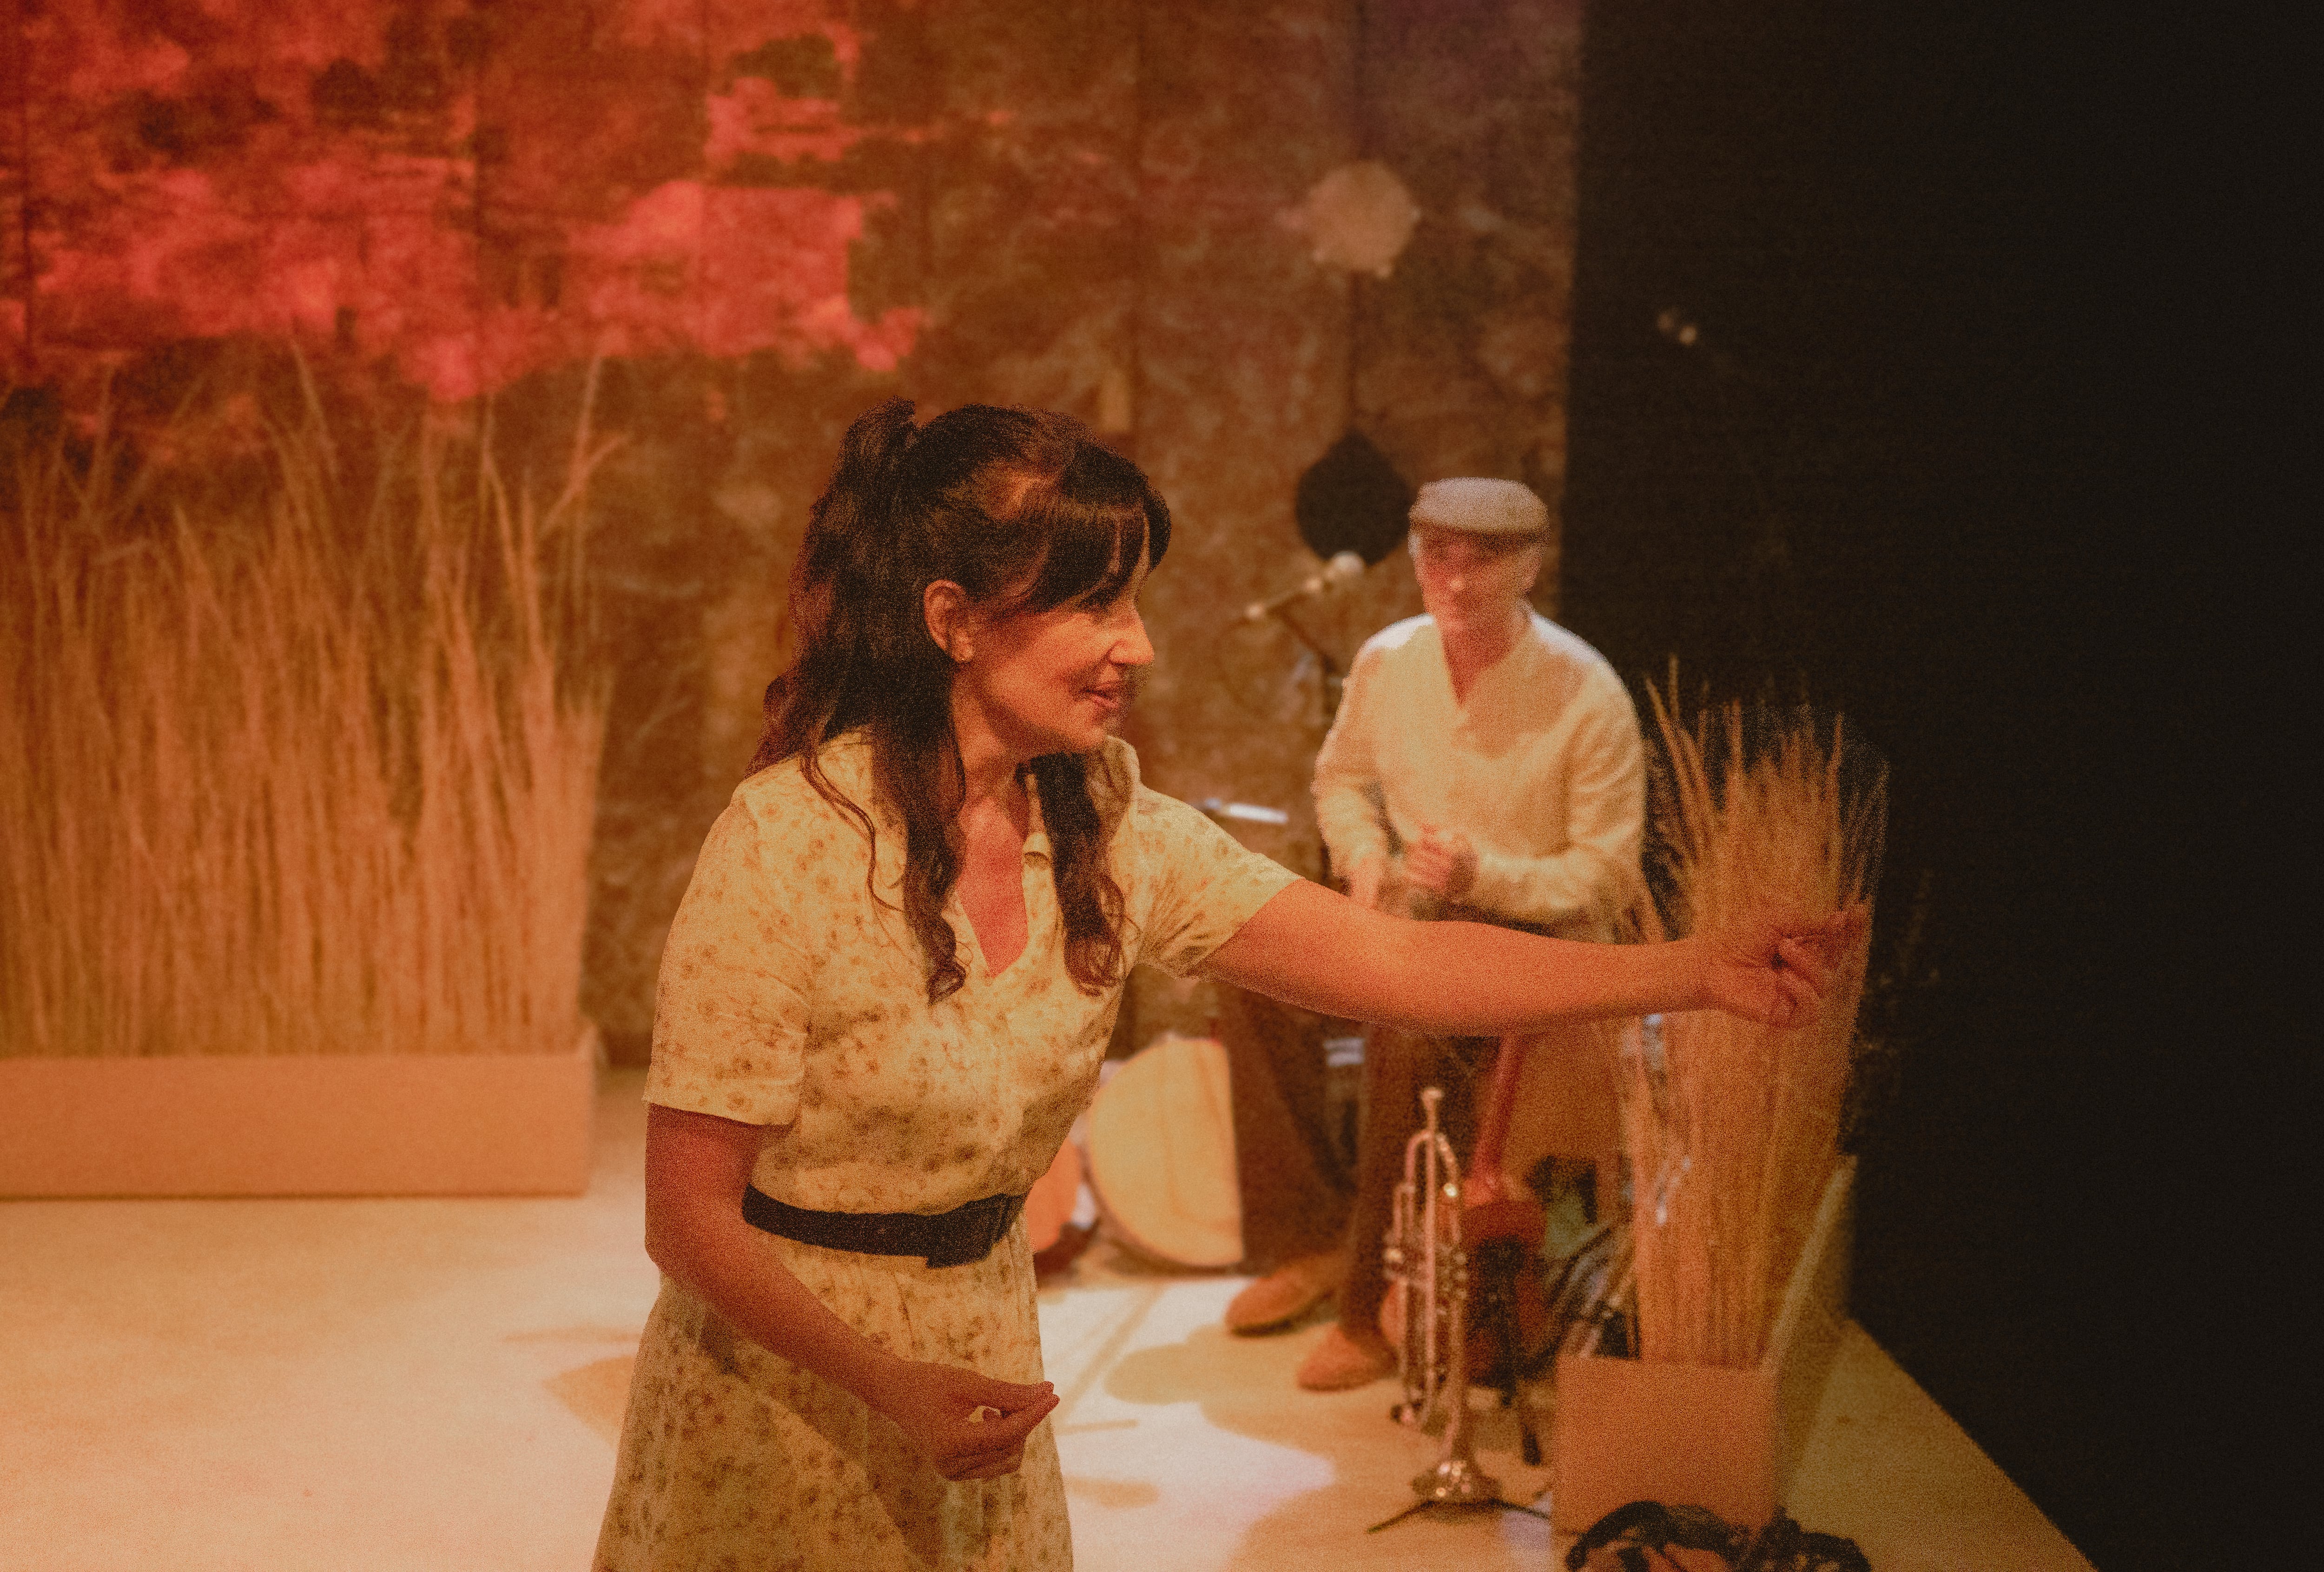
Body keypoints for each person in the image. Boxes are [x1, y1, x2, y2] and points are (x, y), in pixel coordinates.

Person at [592, 402, 1854, 1572]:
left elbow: (1400, 960)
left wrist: (1693, 968)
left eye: (1134, 601)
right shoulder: (789, 842)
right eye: (1096, 603)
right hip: (785, 1393)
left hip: (981, 1369)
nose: (1136, 645)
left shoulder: (1105, 826)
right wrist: (884, 1382)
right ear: (955, 619)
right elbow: (687, 1217)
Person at [1220, 476, 1648, 1391]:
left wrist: (1483, 877)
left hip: (1541, 937)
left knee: (1407, 1025)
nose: (1454, 580)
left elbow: (1608, 875)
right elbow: (1341, 779)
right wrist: (1364, 860)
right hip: (1419, 914)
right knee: (1248, 967)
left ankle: (1367, 1306)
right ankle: (1316, 1234)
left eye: (1481, 560)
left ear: (1529, 566)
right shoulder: (1388, 659)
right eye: (1436, 556)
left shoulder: (1586, 691)